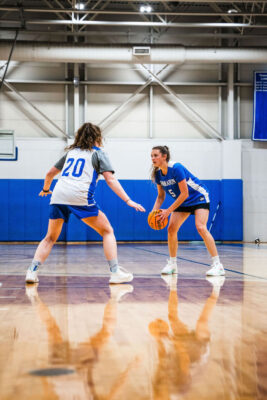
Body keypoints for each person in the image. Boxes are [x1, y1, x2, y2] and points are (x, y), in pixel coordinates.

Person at [25, 122, 145, 285]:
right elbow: (110, 179)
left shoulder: (70, 153)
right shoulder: (99, 153)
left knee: (50, 238)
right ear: (98, 137)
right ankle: (115, 272)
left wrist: (46, 189)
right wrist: (128, 200)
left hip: (58, 195)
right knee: (107, 231)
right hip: (79, 196)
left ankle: (32, 272)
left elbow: (50, 173)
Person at [150, 145, 225, 276]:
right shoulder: (157, 174)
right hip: (183, 201)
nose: (153, 158)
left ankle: (218, 265)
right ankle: (172, 264)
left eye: (155, 155)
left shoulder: (176, 168)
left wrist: (168, 211)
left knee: (201, 227)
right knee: (171, 229)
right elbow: (161, 196)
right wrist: (153, 212)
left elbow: (184, 193)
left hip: (198, 197)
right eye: (151, 156)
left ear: (164, 156)